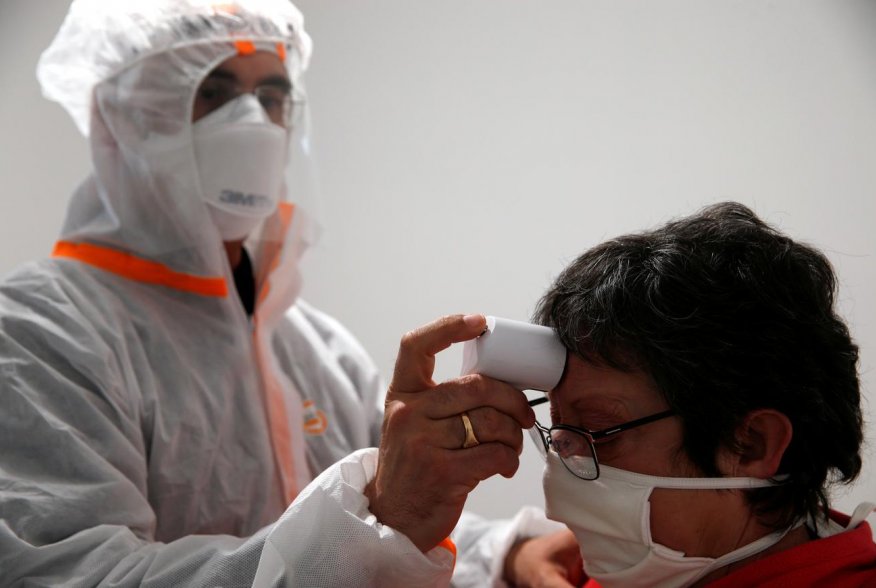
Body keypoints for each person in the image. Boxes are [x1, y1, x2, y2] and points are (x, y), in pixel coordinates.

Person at [0, 1, 545, 585]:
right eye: (214, 92)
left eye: (272, 96)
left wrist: (509, 555)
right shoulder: (41, 330)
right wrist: (370, 526)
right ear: (121, 117)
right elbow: (75, 573)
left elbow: (398, 522)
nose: (252, 121)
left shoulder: (316, 347)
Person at [501, 201, 876, 587]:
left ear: (751, 444)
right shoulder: (628, 566)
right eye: (560, 431)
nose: (560, 479)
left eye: (601, 431)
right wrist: (515, 557)